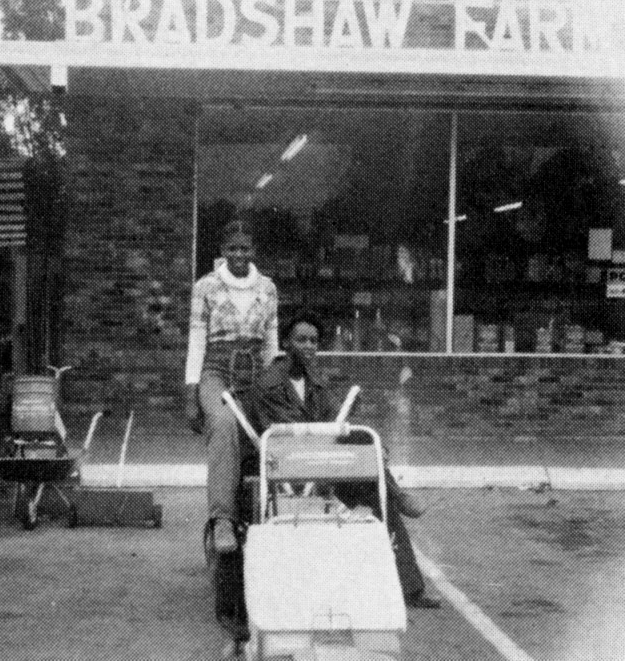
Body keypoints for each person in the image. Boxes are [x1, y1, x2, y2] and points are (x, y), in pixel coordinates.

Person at [248, 310, 442, 609]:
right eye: (301, 340)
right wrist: (334, 432)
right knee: (359, 449)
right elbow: (287, 431)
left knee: (375, 482)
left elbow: (331, 418)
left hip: (324, 463)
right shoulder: (269, 383)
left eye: (314, 340)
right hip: (292, 465)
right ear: (286, 343)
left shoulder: (316, 381)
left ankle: (409, 588)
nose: (309, 346)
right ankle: (396, 492)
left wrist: (346, 418)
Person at [184, 218, 279, 555]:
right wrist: (191, 393)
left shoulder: (267, 287)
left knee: (271, 430)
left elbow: (270, 340)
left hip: (256, 371)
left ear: (253, 250)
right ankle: (222, 520)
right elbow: (197, 340)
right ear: (222, 251)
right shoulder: (205, 286)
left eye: (245, 248)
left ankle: (278, 513)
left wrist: (274, 383)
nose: (239, 254)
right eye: (232, 248)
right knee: (223, 425)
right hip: (216, 370)